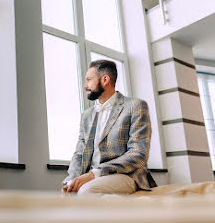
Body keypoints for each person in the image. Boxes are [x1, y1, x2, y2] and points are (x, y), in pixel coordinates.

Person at [62, 60, 156, 195]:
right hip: (92, 177)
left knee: (86, 191)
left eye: (89, 80)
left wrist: (95, 173)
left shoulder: (136, 106)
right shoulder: (87, 115)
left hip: (127, 175)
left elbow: (138, 154)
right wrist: (70, 181)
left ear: (105, 80)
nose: (85, 85)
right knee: (67, 195)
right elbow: (79, 153)